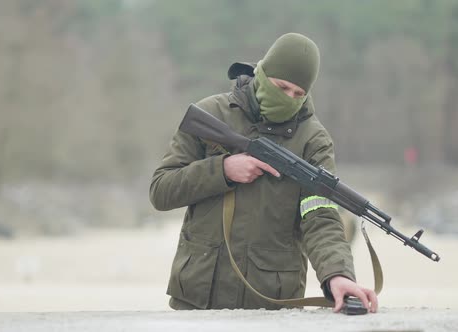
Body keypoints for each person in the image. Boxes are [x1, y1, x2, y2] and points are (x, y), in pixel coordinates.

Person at [149, 33, 378, 313]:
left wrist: (338, 275)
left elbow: (319, 218)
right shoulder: (211, 114)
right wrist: (222, 170)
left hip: (270, 304)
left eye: (298, 94)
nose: (288, 98)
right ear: (262, 73)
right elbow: (161, 190)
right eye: (281, 87)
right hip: (198, 298)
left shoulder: (313, 140)